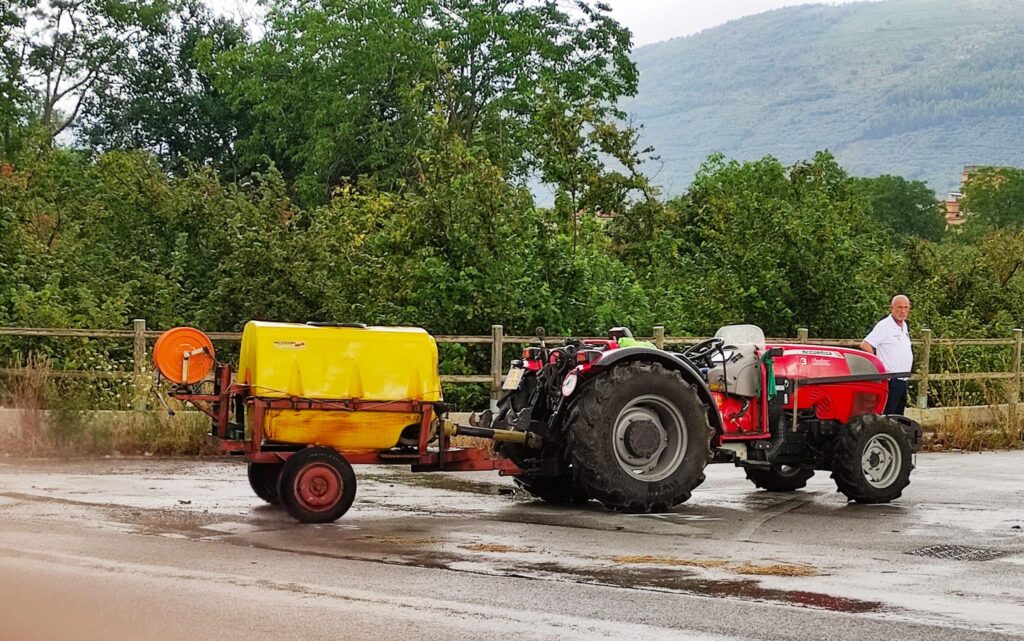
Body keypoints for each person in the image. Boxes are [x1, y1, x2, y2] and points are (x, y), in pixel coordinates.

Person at [860, 294, 913, 415]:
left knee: (898, 414)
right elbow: (865, 344)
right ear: (892, 308)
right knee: (888, 413)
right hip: (890, 379)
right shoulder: (885, 325)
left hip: (902, 378)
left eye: (906, 307)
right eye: (899, 307)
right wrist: (879, 366)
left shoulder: (903, 325)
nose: (903, 311)